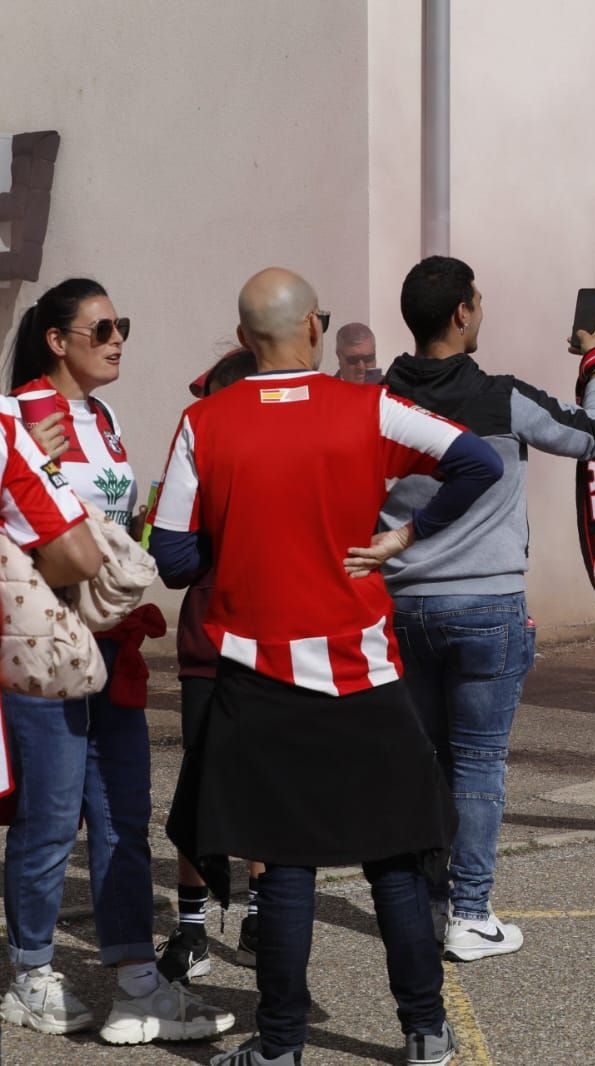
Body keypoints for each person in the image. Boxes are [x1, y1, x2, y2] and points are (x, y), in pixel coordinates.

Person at [150, 267, 503, 1066]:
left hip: (258, 677)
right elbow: (477, 461)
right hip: (365, 672)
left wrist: (237, 543)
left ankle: (279, 1047)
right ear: (314, 328)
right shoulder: (369, 407)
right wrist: (404, 539)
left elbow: (171, 556)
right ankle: (424, 1033)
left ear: (244, 341)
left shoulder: (204, 423)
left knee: (285, 868)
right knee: (397, 861)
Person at [0, 277, 234, 1047]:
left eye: (120, 324)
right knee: (49, 817)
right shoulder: (14, 418)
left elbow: (114, 522)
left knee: (124, 816)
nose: (117, 339)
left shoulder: (101, 417)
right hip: (45, 647)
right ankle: (32, 972)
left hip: (113, 644)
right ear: (55, 340)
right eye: (101, 328)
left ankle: (137, 976)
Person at [380, 255, 595, 963]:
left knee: (424, 763)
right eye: (477, 302)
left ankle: (423, 906)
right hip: (486, 604)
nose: (480, 310)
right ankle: (472, 912)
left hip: (402, 605)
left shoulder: (371, 400)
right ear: (460, 313)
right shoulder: (501, 397)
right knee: (479, 765)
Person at [155, 349, 269, 987]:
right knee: (200, 789)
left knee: (262, 785)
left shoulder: (276, 445)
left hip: (272, 643)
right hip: (207, 646)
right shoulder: (196, 444)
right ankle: (194, 929)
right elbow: (169, 549)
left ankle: (258, 917)